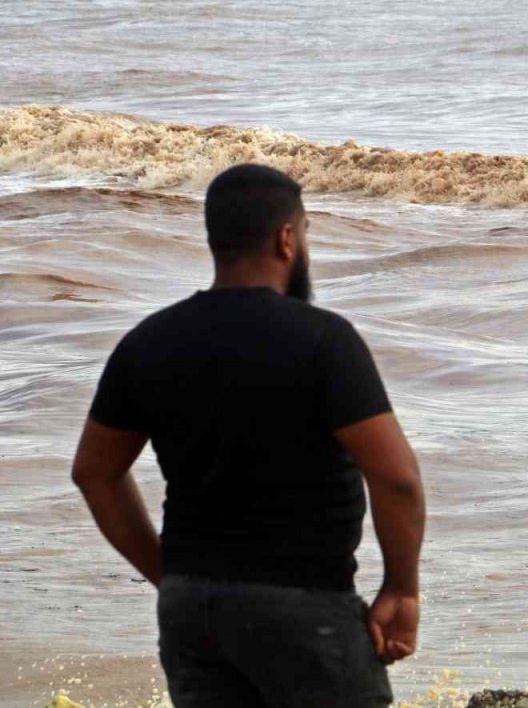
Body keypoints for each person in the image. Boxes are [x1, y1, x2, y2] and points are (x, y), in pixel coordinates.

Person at [71, 164, 426, 708]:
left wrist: (170, 575)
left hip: (193, 612)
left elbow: (94, 473)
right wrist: (401, 588)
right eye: (304, 232)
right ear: (287, 239)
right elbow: (397, 478)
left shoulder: (149, 340)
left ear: (216, 241)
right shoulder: (323, 340)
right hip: (304, 604)